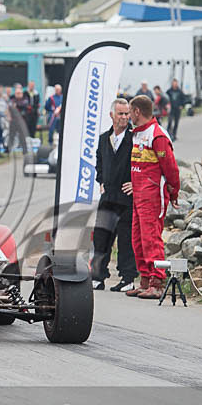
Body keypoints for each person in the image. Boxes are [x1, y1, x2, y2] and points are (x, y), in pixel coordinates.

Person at [125, 95, 180, 299]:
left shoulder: (157, 136)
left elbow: (171, 169)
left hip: (153, 197)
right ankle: (145, 279)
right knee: (138, 240)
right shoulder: (137, 134)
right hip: (139, 196)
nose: (129, 116)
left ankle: (157, 282)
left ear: (137, 112)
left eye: (130, 111)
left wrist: (174, 192)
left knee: (151, 239)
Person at [92, 98, 137, 292]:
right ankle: (97, 277)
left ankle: (128, 279)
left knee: (126, 240)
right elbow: (99, 162)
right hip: (108, 196)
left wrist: (136, 183)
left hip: (126, 199)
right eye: (121, 114)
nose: (125, 117)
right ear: (112, 115)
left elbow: (143, 165)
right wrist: (101, 181)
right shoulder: (104, 138)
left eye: (127, 114)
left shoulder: (135, 138)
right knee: (101, 238)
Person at [7, 87, 31, 152]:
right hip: (13, 120)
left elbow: (24, 105)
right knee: (11, 135)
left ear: (21, 93)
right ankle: (8, 149)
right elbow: (9, 107)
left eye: (19, 93)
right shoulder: (12, 99)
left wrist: (16, 105)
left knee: (22, 135)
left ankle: (25, 149)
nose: (18, 94)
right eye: (17, 93)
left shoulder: (25, 99)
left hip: (22, 120)